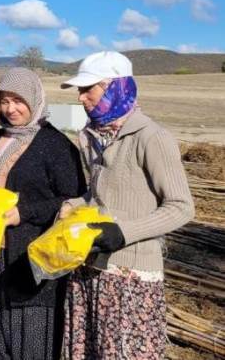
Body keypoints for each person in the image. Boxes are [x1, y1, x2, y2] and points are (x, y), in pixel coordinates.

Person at [59, 51, 194, 359]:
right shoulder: (95, 138)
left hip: (131, 276)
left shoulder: (151, 137)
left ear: (115, 87)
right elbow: (100, 196)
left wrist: (122, 233)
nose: (81, 98)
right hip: (90, 268)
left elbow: (181, 206)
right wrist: (72, 204)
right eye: (80, 91)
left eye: (87, 89)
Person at [0, 67, 86, 359]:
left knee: (31, 333)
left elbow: (75, 200)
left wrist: (25, 212)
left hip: (33, 253)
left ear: (34, 99)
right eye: (4, 101)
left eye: (18, 100)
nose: (10, 109)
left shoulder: (55, 145)